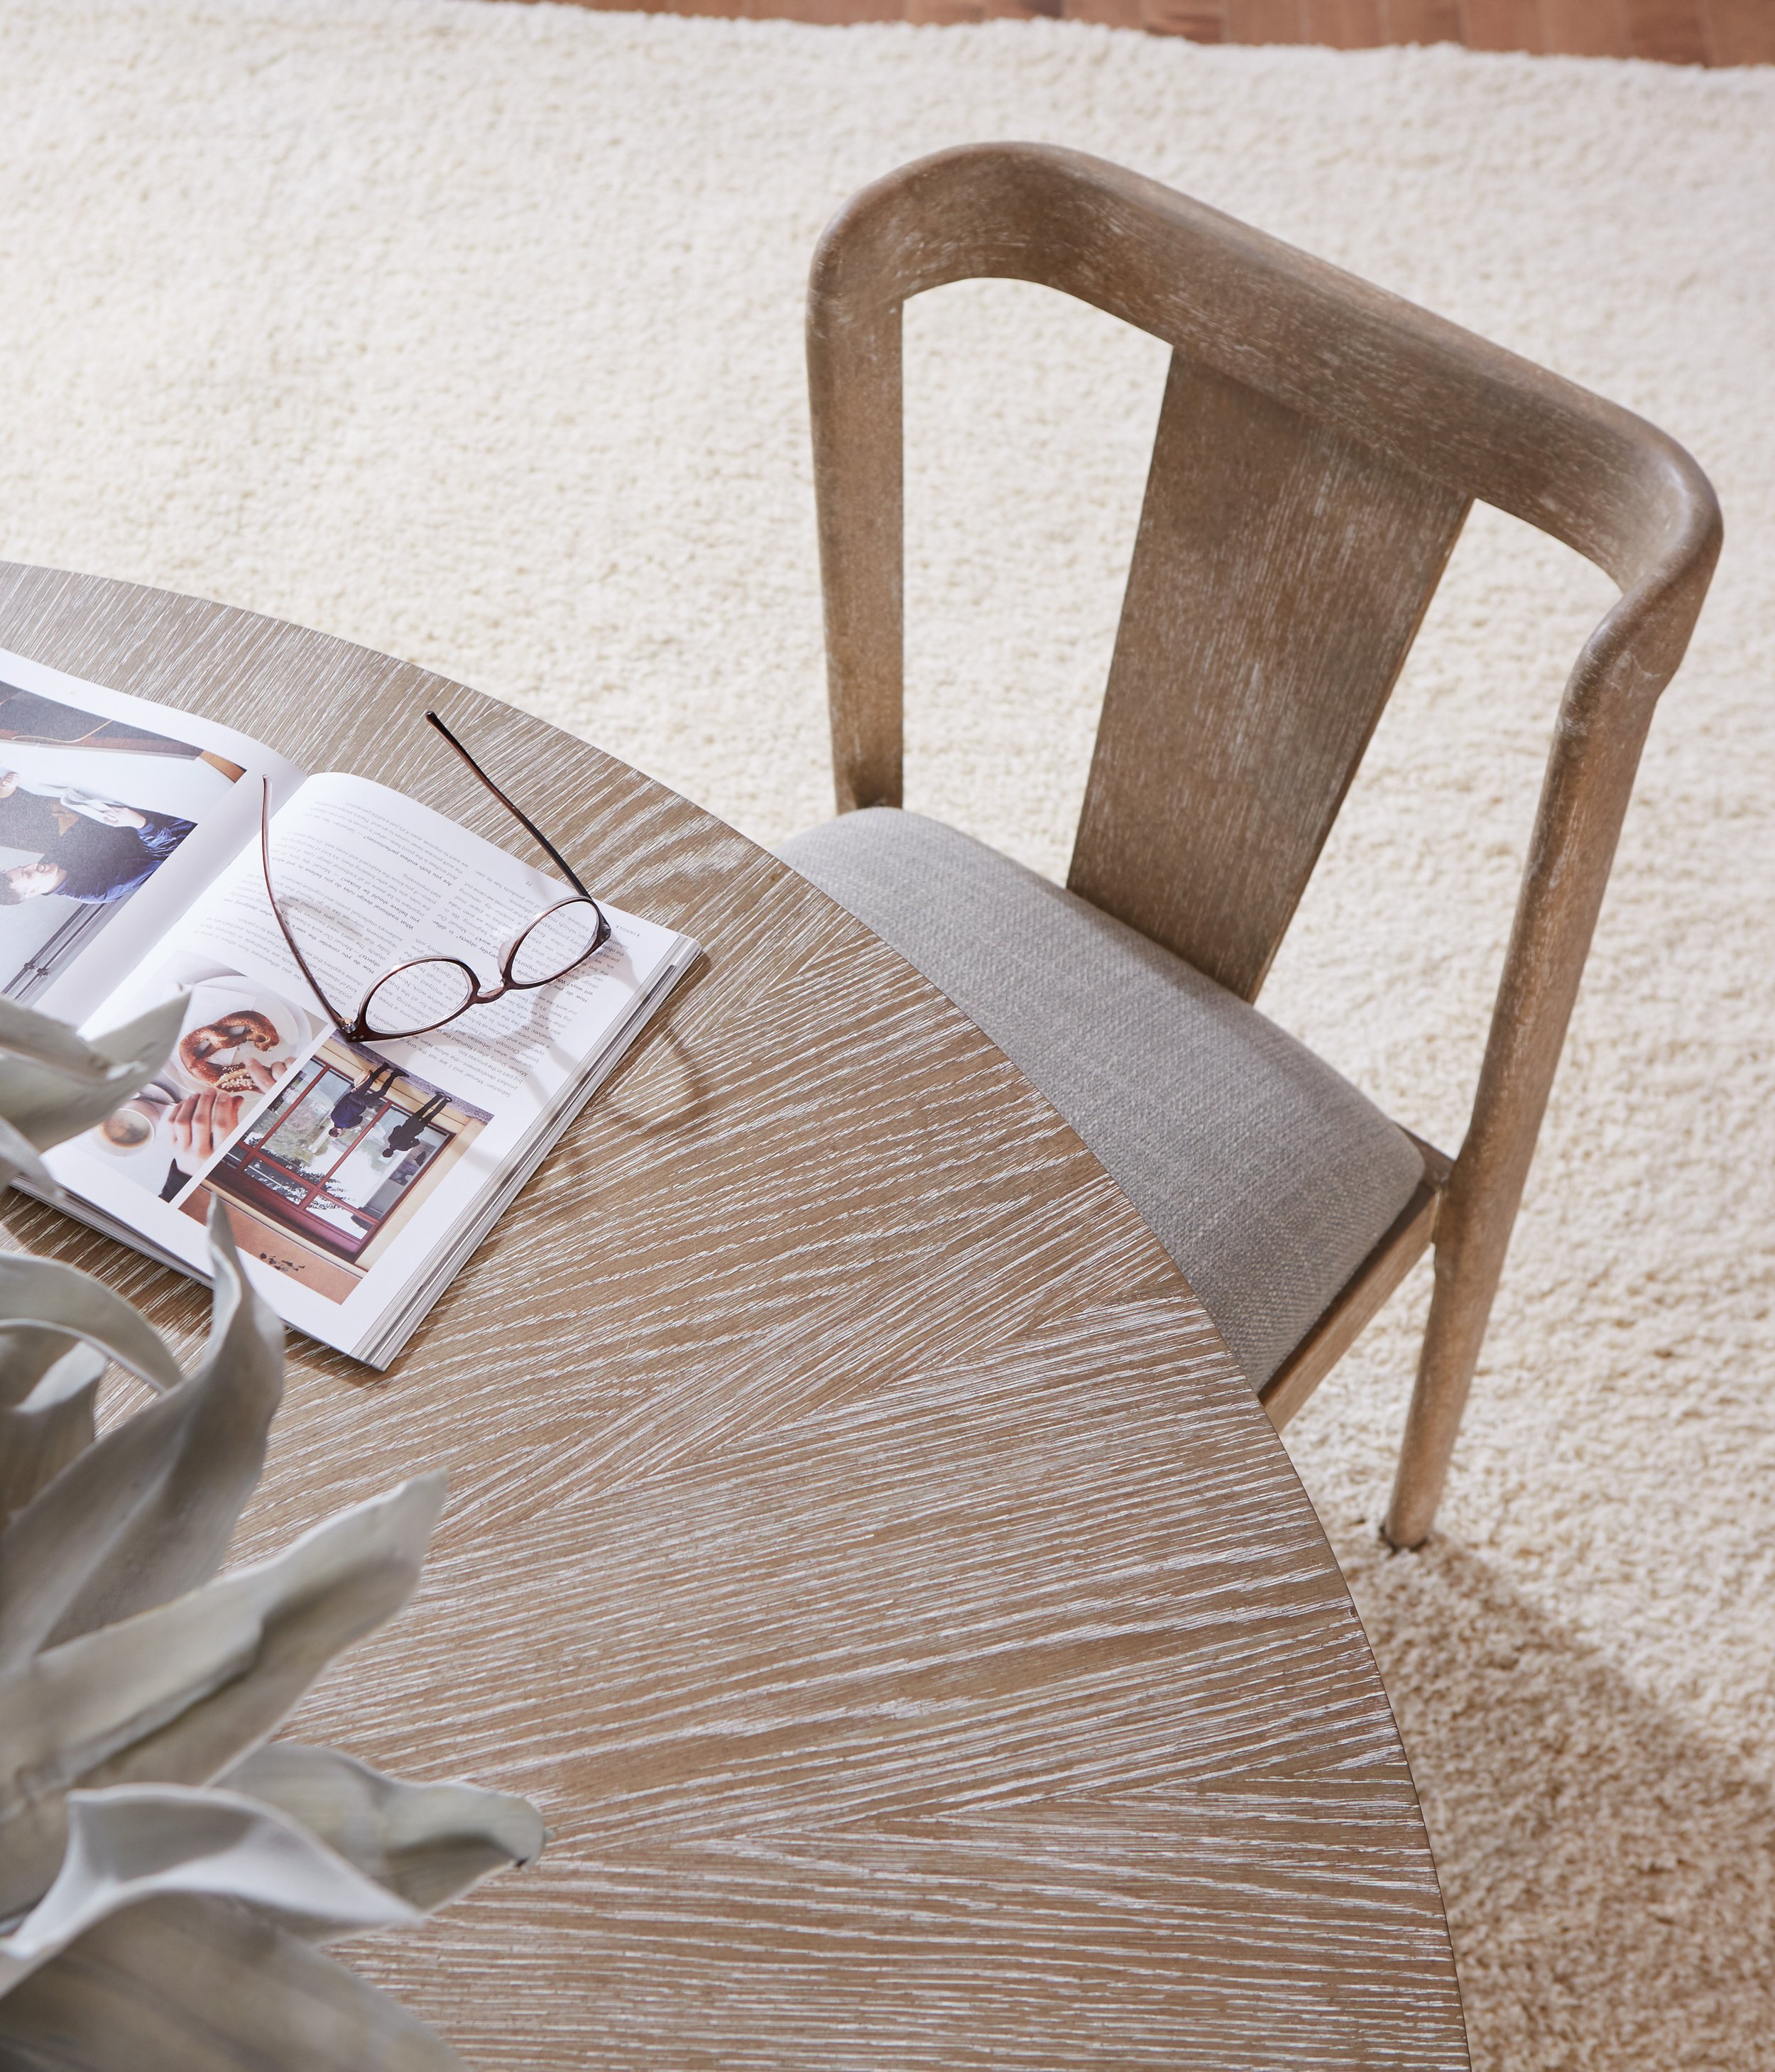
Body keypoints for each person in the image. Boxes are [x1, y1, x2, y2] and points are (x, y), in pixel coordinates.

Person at [0, 770, 196, 905]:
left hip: (132, 798)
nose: (33, 865)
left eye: (23, 867)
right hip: (175, 815)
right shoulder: (97, 891)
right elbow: (167, 852)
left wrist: (9, 789)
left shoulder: (50, 865)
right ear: (32, 891)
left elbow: (88, 824)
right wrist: (139, 823)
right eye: (27, 874)